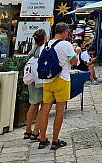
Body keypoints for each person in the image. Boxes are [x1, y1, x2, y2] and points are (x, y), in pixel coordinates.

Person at [36, 23, 80, 151]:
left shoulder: (46, 44)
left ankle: (43, 139)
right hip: (61, 79)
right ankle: (55, 140)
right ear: (65, 32)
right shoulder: (66, 44)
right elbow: (74, 62)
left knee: (45, 110)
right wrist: (76, 53)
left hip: (47, 80)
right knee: (59, 111)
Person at [24, 29, 46, 141]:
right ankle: (36, 132)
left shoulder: (33, 50)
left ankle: (28, 130)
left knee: (33, 104)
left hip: (31, 79)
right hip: (39, 79)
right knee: (42, 106)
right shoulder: (42, 49)